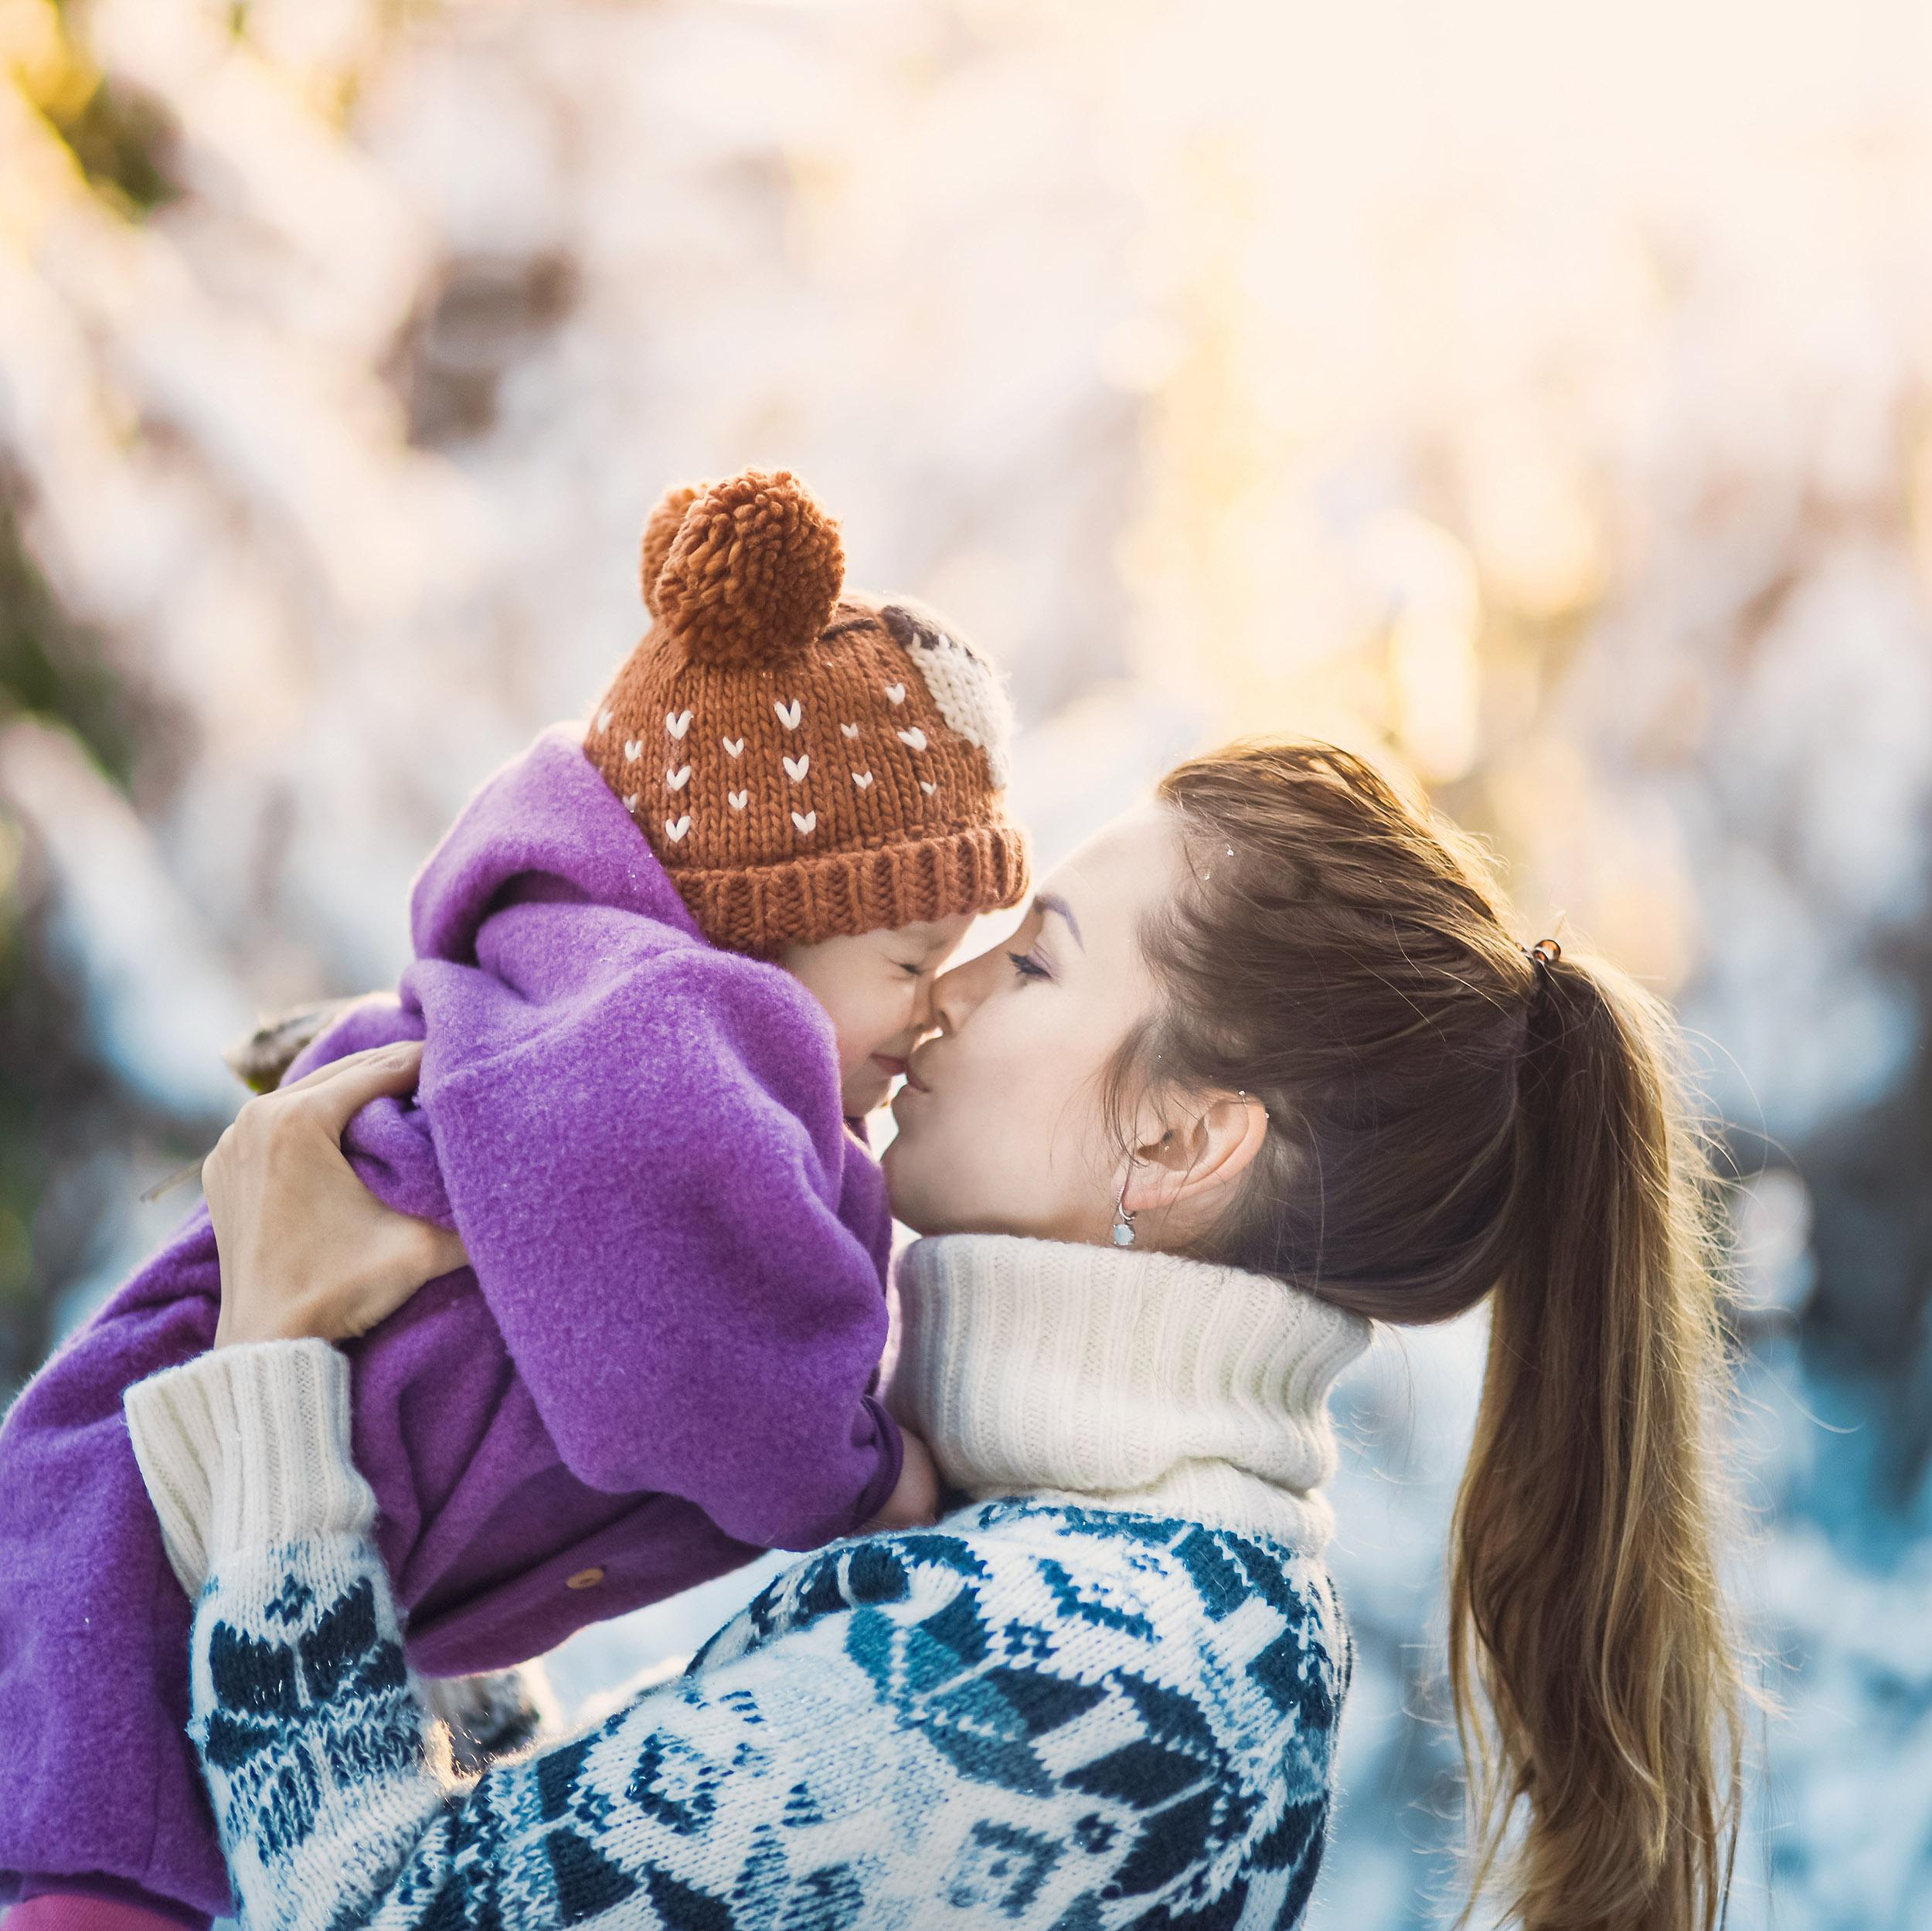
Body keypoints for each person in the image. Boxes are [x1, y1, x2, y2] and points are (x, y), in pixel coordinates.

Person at [121, 740, 1744, 1931]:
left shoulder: (1086, 1651)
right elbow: (584, 1885)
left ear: (1181, 1140)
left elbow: (382, 1919)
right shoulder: (1152, 1600)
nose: (942, 993)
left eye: (1031, 959)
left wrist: (280, 1374)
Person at [0, 468, 1032, 1926]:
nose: (934, 1012)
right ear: (758, 928)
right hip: (145, 1545)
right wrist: (878, 1478)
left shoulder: (601, 1014)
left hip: (169, 1549)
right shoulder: (667, 1045)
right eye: (913, 959)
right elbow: (695, 1371)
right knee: (105, 1883)